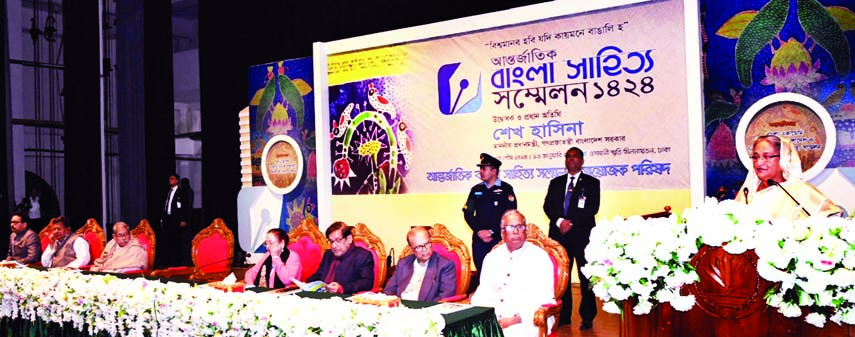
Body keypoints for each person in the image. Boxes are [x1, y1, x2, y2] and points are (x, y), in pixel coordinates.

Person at [470, 210, 555, 337]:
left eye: (520, 227)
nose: (516, 231)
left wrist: (515, 319)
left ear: (525, 230)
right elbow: (484, 291)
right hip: (493, 319)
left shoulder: (539, 257)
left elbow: (544, 296)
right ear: (502, 232)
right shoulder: (492, 257)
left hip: (527, 321)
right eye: (510, 227)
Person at [542, 147, 600, 330]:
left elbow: (593, 208)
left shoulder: (591, 183)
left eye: (575, 156)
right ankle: (564, 315)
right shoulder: (556, 182)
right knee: (562, 279)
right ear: (565, 161)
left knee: (586, 278)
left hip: (582, 236)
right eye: (568, 156)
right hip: (560, 236)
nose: (571, 159)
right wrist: (560, 221)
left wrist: (571, 222)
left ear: (582, 161)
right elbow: (547, 206)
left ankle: (587, 317)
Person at [735, 135, 843, 219]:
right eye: (755, 157)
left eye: (767, 157)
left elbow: (831, 216)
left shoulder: (798, 191)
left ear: (783, 159)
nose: (759, 163)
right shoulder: (747, 192)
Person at [462, 152, 517, 283]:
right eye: (480, 168)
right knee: (482, 274)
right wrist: (479, 231)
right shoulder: (476, 190)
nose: (481, 171)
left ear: (494, 171)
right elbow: (468, 213)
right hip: (479, 240)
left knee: (500, 274)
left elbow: (510, 216)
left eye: (484, 168)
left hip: (498, 239)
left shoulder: (506, 189)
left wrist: (492, 232)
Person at [383, 226, 457, 302]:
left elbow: (445, 297)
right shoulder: (403, 263)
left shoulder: (445, 265)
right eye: (418, 247)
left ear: (431, 240)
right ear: (411, 248)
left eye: (427, 244)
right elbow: (388, 291)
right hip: (399, 307)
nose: (425, 250)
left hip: (425, 309)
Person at [307, 221, 374, 294]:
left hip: (345, 299)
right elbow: (318, 275)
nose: (334, 246)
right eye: (331, 241)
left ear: (349, 239)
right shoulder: (328, 254)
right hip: (321, 296)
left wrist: (342, 288)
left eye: (338, 240)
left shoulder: (363, 256)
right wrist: (307, 284)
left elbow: (367, 282)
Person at [160, 173, 190, 266]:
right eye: (170, 178)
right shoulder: (168, 191)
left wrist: (184, 220)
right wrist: (162, 219)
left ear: (177, 181)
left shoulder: (182, 192)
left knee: (177, 240)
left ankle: (177, 261)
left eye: (172, 179)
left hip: (176, 220)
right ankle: (168, 260)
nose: (170, 180)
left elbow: (186, 207)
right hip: (168, 219)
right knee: (168, 239)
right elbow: (165, 205)